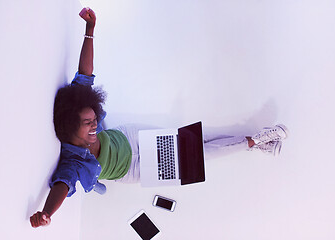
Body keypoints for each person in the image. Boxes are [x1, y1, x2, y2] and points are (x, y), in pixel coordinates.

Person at [30, 7, 289, 228]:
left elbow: (85, 73)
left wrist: (90, 29)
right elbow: (61, 186)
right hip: (134, 170)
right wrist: (46, 214)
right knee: (199, 159)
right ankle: (256, 142)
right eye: (88, 124)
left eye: (93, 117)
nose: (95, 123)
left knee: (195, 138)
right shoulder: (72, 161)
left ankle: (256, 141)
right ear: (71, 129)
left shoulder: (80, 104)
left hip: (132, 138)